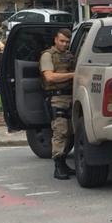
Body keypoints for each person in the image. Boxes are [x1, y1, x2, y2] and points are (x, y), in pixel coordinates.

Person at [40, 27, 76, 180]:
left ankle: (64, 163)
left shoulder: (70, 56)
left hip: (72, 96)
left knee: (71, 131)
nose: (64, 44)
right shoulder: (48, 56)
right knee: (60, 131)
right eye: (61, 41)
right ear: (55, 40)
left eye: (67, 42)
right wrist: (72, 75)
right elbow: (50, 77)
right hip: (56, 97)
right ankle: (58, 165)